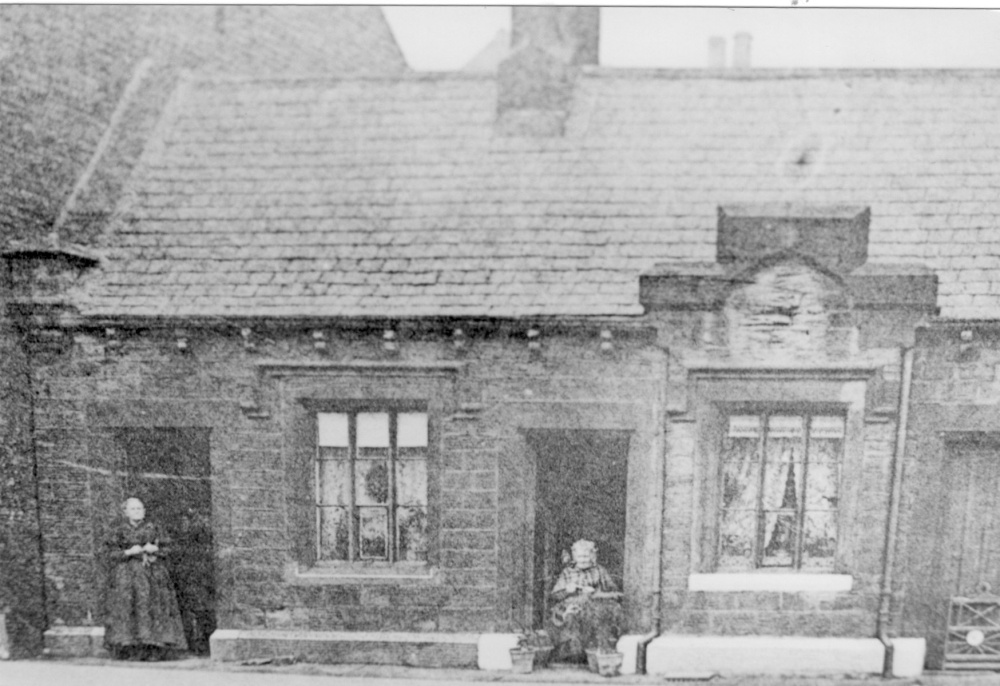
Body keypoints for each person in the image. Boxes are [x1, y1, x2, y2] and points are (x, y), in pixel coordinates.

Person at [104, 497, 187, 660]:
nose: (137, 512)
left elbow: (169, 548)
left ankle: (154, 648)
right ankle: (132, 648)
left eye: (140, 509)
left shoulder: (154, 528)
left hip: (153, 575)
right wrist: (128, 552)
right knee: (130, 608)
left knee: (154, 608)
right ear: (125, 512)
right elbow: (108, 553)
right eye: (133, 509)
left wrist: (155, 548)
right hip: (127, 576)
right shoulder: (118, 530)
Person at [548, 539, 623, 662]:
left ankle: (595, 654)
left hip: (596, 606)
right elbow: (554, 596)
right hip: (571, 607)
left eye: (586, 556)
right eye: (580, 556)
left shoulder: (600, 571)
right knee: (570, 618)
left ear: (593, 556)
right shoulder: (567, 572)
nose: (583, 560)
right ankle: (573, 656)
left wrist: (597, 593)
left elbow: (615, 592)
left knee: (600, 619)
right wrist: (568, 590)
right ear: (574, 557)